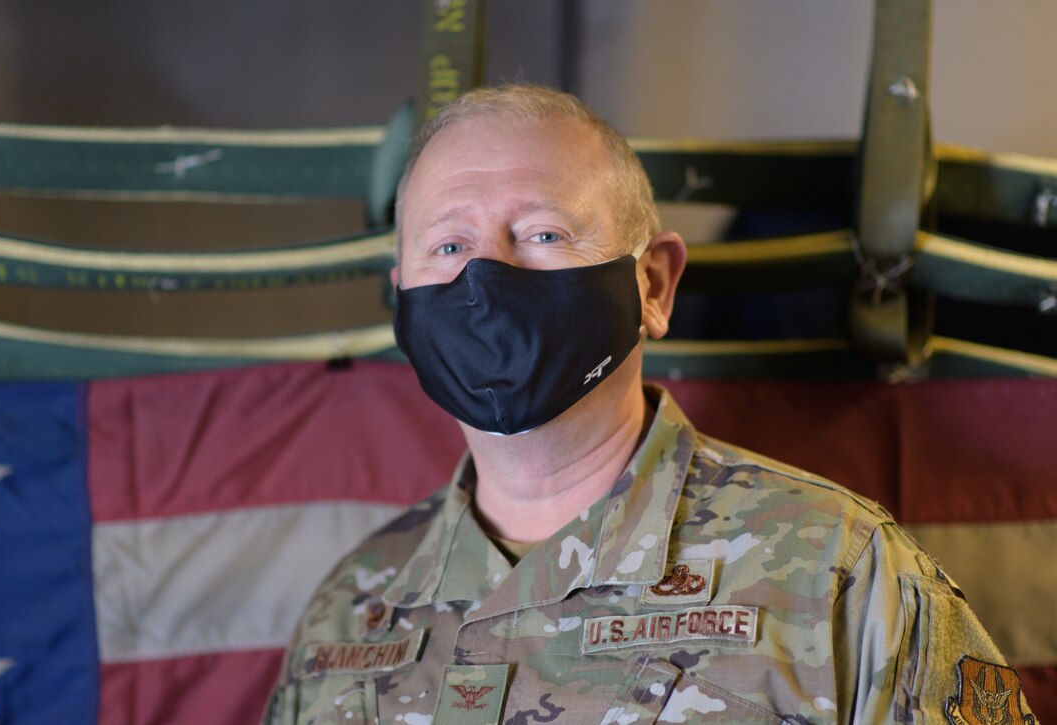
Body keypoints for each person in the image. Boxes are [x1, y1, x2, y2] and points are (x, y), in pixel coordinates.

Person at [264, 85, 1035, 724]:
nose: (484, 280)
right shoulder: (350, 608)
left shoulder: (840, 576)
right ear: (402, 303)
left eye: (542, 232)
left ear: (654, 287)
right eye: (448, 246)